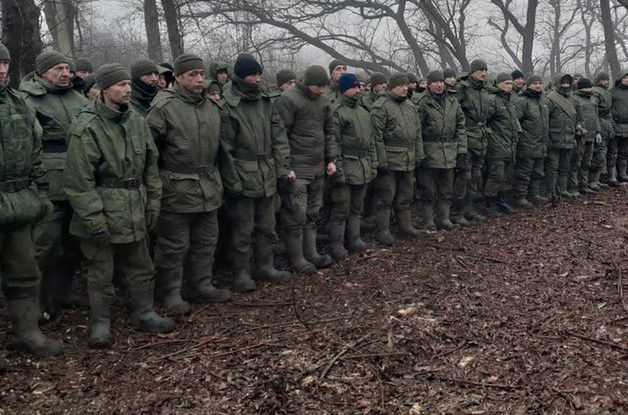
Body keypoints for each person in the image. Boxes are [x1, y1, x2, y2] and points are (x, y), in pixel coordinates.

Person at [63, 63, 175, 347]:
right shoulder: (86, 126)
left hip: (135, 205)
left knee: (141, 266)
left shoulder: (137, 121)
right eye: (119, 85)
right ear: (103, 89)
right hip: (102, 208)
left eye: (128, 84)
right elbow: (79, 181)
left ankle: (145, 312)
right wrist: (94, 219)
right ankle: (100, 323)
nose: (126, 89)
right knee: (100, 272)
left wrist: (152, 205)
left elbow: (151, 167)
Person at [146, 53, 236, 314]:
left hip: (209, 185)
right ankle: (171, 292)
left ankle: (201, 284)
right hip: (175, 189)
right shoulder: (163, 108)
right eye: (192, 75)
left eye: (201, 74)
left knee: (206, 240)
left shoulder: (211, 107)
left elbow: (222, 150)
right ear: (178, 77)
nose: (199, 80)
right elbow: (149, 155)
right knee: (173, 245)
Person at [0, 43, 63, 357]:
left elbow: (36, 154)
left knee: (24, 273)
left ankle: (29, 333)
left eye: (5, 64)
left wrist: (41, 194)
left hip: (21, 202)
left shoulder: (18, 103)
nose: (1, 70)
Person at [20, 50, 89, 320]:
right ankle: (34, 305)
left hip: (78, 180)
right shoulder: (28, 100)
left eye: (67, 68)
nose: (64, 73)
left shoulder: (78, 98)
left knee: (72, 244)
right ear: (42, 72)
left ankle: (62, 294)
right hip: (47, 185)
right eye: (58, 68)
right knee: (43, 247)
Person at [220, 54, 294, 291]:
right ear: (241, 76)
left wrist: (282, 168)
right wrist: (233, 182)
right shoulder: (227, 105)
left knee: (268, 225)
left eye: (259, 74)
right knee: (242, 230)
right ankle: (241, 273)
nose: (257, 79)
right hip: (243, 173)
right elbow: (224, 150)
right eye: (253, 74)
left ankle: (265, 266)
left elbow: (279, 137)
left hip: (267, 172)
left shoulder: (266, 102)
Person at [275, 65, 340, 274]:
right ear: (306, 82)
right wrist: (286, 167)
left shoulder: (323, 101)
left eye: (323, 87)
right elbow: (279, 136)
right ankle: (297, 259)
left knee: (313, 212)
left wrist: (331, 159)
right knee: (296, 215)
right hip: (297, 167)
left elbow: (329, 131)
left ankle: (311, 253)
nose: (320, 91)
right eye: (316, 87)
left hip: (318, 166)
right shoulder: (288, 99)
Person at [327, 73, 377, 259]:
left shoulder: (364, 111)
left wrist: (373, 165)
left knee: (357, 207)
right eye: (354, 87)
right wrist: (337, 167)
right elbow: (333, 143)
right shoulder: (337, 111)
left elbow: (371, 142)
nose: (358, 90)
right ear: (344, 89)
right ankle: (336, 245)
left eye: (359, 86)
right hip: (346, 166)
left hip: (363, 166)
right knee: (341, 208)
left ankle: (354, 240)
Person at [371, 72, 424, 245]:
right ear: (391, 87)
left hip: (408, 158)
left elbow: (417, 133)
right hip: (390, 160)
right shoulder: (381, 106)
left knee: (405, 195)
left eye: (406, 85)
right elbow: (375, 137)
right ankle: (383, 231)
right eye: (400, 85)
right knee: (386, 197)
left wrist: (419, 154)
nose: (404, 88)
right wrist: (381, 161)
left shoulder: (410, 105)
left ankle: (405, 227)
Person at [415, 70, 466, 231]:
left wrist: (462, 149)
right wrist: (420, 153)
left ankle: (443, 218)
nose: (439, 85)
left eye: (441, 82)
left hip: (449, 152)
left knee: (446, 189)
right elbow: (416, 130)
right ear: (429, 85)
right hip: (429, 152)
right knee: (428, 190)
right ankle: (428, 221)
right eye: (435, 82)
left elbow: (460, 126)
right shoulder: (422, 103)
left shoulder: (452, 101)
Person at [453, 59, 492, 225]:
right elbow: (455, 115)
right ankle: (457, 212)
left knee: (475, 176)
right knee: (464, 177)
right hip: (466, 138)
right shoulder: (462, 89)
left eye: (485, 70)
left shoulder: (484, 91)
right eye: (480, 70)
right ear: (472, 72)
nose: (483, 73)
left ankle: (469, 209)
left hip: (481, 138)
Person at [484, 73, 519, 216]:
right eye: (505, 83)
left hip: (509, 144)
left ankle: (501, 200)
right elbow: (484, 120)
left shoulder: (510, 100)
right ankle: (490, 204)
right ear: (497, 84)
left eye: (510, 83)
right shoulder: (492, 99)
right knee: (496, 175)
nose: (509, 86)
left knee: (506, 175)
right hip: (496, 144)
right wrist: (491, 137)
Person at [514, 75, 549, 208]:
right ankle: (520, 197)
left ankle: (534, 194)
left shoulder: (543, 100)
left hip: (541, 143)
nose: (538, 86)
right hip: (527, 143)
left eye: (540, 83)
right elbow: (515, 120)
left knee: (538, 171)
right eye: (535, 83)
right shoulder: (522, 101)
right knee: (524, 171)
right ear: (528, 85)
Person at [545, 73, 581, 198]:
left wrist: (579, 129)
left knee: (565, 166)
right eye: (563, 83)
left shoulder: (573, 99)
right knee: (552, 167)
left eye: (567, 83)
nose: (565, 85)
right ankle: (551, 192)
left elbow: (578, 118)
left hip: (569, 138)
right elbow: (545, 120)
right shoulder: (549, 98)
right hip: (554, 138)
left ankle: (563, 190)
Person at [572, 78, 601, 194]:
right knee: (576, 162)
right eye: (586, 87)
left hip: (592, 135)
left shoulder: (593, 99)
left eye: (589, 87)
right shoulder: (575, 99)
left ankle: (584, 185)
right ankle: (573, 187)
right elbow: (574, 118)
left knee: (586, 162)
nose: (588, 89)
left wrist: (598, 131)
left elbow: (596, 116)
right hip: (580, 136)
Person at [591, 72, 618, 187]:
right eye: (603, 80)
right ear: (598, 81)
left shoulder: (607, 92)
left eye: (607, 80)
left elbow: (609, 111)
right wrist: (597, 130)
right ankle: (593, 180)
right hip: (601, 125)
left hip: (609, 125)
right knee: (600, 154)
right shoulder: (595, 92)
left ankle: (611, 178)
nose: (606, 82)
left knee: (612, 152)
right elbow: (594, 112)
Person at [611, 69, 628, 183]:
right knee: (612, 152)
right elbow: (608, 109)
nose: (627, 80)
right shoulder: (612, 92)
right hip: (615, 126)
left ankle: (622, 174)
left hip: (627, 127)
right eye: (625, 78)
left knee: (624, 152)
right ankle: (612, 176)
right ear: (620, 79)